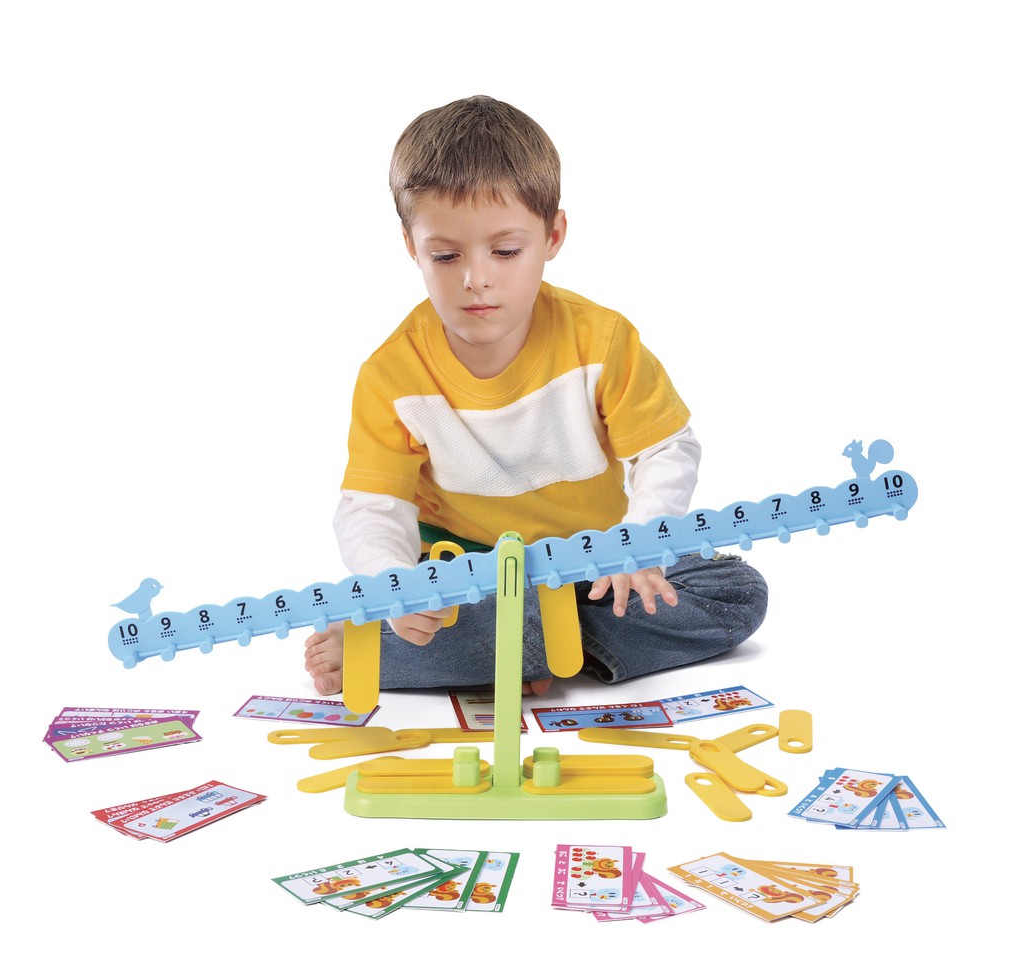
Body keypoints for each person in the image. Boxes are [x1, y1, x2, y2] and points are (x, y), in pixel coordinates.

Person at [305, 95, 767, 697]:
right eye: (445, 255)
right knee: (496, 613)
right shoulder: (391, 375)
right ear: (411, 246)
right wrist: (394, 585)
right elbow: (371, 507)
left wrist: (640, 542)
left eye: (505, 251)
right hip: (470, 583)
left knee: (737, 592)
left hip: (594, 568)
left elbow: (667, 449)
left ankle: (521, 650)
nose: (476, 278)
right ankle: (506, 644)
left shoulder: (602, 341)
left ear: (553, 235)